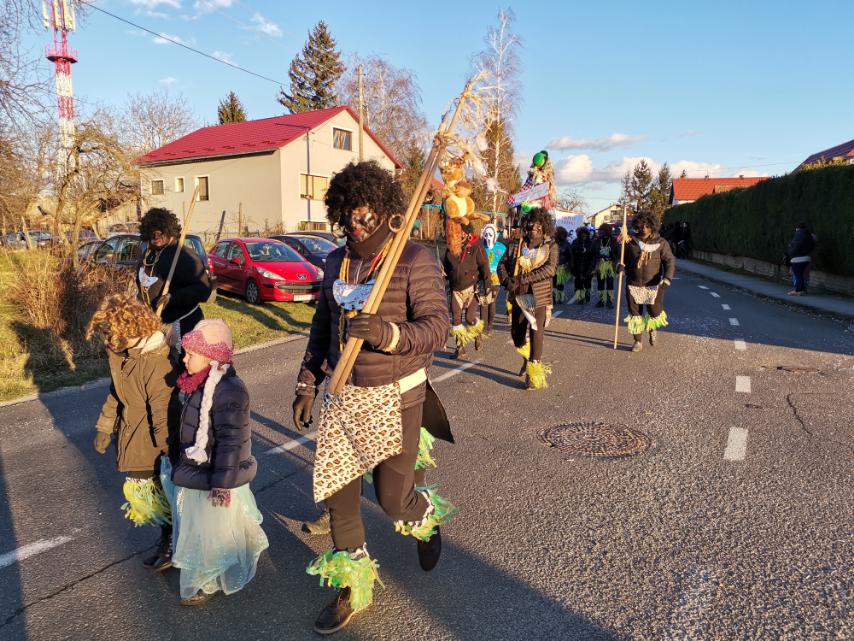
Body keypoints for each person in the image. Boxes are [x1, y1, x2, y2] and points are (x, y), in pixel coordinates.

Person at [291, 161, 456, 635]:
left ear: (384, 211)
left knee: (391, 499)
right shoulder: (335, 263)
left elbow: (437, 328)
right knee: (338, 495)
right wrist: (307, 383)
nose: (355, 225)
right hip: (344, 397)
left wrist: (387, 334)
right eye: (348, 217)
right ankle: (353, 587)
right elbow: (322, 329)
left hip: (396, 396)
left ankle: (423, 516)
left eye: (364, 215)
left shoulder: (413, 259)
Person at [161, 318, 269, 606]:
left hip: (215, 479)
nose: (184, 360)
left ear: (211, 358)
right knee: (197, 530)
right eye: (185, 353)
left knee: (211, 534)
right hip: (197, 473)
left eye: (191, 355)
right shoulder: (198, 384)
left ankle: (204, 578)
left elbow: (231, 443)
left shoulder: (228, 390)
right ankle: (201, 573)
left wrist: (221, 485)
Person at [87, 294, 177, 572]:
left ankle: (173, 544)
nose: (108, 341)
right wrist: (105, 426)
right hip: (133, 435)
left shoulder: (154, 362)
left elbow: (162, 412)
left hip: (153, 444)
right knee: (154, 499)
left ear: (131, 328)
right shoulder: (125, 356)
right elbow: (117, 393)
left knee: (161, 497)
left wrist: (168, 452)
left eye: (112, 334)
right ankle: (167, 540)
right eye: (105, 335)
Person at [497, 208, 558, 390]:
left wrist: (523, 278)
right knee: (517, 335)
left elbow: (550, 270)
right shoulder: (517, 244)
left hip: (539, 297)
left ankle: (533, 373)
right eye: (532, 223)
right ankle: (526, 356)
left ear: (544, 226)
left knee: (536, 332)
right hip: (518, 296)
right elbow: (501, 264)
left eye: (539, 224)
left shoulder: (550, 246)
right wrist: (507, 282)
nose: (534, 227)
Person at [137, 207, 212, 347]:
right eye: (152, 233)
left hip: (183, 324)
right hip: (155, 325)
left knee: (183, 365)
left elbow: (203, 289)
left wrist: (173, 298)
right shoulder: (148, 255)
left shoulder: (184, 255)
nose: (156, 237)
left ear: (170, 231)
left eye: (160, 232)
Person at [620, 211, 676, 352]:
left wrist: (667, 279)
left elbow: (669, 261)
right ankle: (637, 341)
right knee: (635, 314)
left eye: (647, 225)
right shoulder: (630, 242)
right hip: (633, 283)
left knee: (654, 312)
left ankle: (652, 329)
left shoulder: (661, 243)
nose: (644, 228)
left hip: (654, 285)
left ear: (652, 226)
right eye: (641, 225)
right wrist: (619, 265)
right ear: (637, 226)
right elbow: (620, 257)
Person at [443, 223, 491, 358]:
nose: (458, 235)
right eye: (456, 232)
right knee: (456, 319)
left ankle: (477, 333)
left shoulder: (476, 246)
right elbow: (446, 268)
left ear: (467, 233)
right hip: (455, 289)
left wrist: (487, 284)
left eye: (460, 232)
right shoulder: (450, 247)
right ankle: (460, 348)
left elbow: (484, 265)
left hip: (472, 289)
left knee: (470, 318)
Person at [479, 223, 506, 336]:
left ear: (495, 235)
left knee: (492, 302)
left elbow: (505, 262)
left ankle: (489, 325)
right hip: (482, 279)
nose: (488, 237)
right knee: (483, 302)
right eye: (486, 234)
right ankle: (482, 327)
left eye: (490, 234)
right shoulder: (479, 247)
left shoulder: (501, 247)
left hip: (496, 280)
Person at [594, 223, 620, 308]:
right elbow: (593, 251)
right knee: (600, 283)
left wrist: (611, 252)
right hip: (600, 264)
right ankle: (601, 300)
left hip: (610, 264)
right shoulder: (598, 241)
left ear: (607, 231)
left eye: (602, 231)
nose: (600, 233)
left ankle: (609, 301)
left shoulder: (613, 241)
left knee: (610, 283)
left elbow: (618, 253)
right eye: (600, 231)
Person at [787, 222, 815, 296]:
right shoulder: (809, 235)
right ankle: (802, 290)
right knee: (802, 275)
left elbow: (796, 246)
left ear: (797, 228)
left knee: (797, 274)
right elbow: (812, 246)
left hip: (798, 258)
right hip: (807, 257)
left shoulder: (799, 234)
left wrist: (790, 251)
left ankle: (798, 290)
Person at [569, 226, 595, 304]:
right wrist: (578, 250)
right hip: (577, 265)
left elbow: (594, 254)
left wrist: (586, 250)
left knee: (587, 283)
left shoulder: (591, 242)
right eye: (582, 234)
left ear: (587, 234)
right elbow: (572, 252)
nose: (583, 236)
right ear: (579, 235)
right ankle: (580, 298)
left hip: (588, 266)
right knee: (578, 284)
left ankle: (587, 293)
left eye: (585, 234)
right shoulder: (575, 242)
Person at [553, 226, 571, 304]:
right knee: (553, 283)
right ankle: (554, 297)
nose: (561, 236)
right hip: (553, 267)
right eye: (559, 235)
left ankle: (560, 298)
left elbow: (570, 256)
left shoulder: (567, 244)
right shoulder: (552, 243)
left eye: (563, 235)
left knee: (560, 283)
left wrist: (568, 265)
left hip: (562, 267)